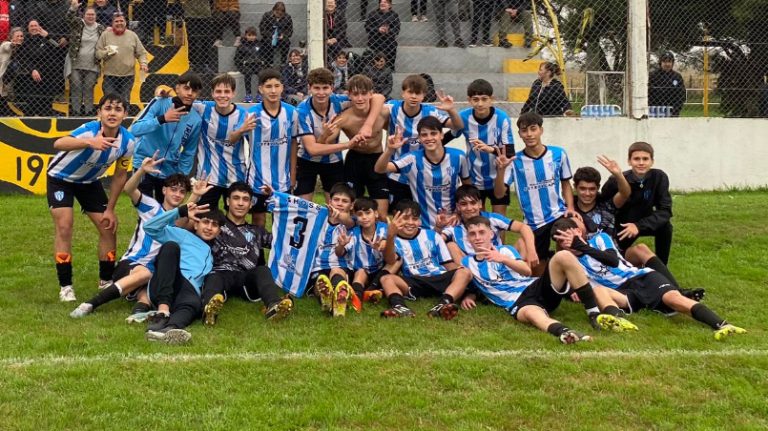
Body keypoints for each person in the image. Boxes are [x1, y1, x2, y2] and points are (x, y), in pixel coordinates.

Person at [552, 217, 746, 341]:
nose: (565, 243)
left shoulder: (600, 239)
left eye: (567, 237)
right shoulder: (572, 263)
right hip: (623, 293)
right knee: (599, 291)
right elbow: (573, 288)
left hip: (642, 278)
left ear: (578, 232)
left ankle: (722, 325)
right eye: (560, 241)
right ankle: (619, 321)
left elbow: (611, 260)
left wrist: (581, 245)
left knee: (674, 300)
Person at [460, 216, 635, 344]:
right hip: (517, 303)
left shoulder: (505, 250)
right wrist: (470, 296)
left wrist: (502, 259)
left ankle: (594, 314)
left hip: (535, 287)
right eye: (472, 234)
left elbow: (527, 271)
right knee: (531, 314)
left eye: (481, 232)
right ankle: (565, 333)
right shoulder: (466, 262)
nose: (477, 237)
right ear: (467, 238)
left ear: (491, 234)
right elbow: (466, 282)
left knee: (563, 255)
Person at [69, 155, 197, 319]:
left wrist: (197, 194)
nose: (178, 194)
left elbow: (185, 216)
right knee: (145, 275)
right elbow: (129, 189)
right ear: (164, 190)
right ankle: (91, 304)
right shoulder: (150, 206)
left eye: (182, 192)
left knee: (147, 292)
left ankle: (138, 313)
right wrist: (141, 171)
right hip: (131, 263)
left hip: (153, 271)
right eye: (173, 189)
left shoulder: (178, 219)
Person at [47, 93, 135, 302]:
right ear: (99, 113)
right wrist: (89, 143)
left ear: (125, 115)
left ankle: (106, 282)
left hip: (89, 183)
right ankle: (66, 286)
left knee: (108, 226)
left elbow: (120, 175)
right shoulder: (89, 130)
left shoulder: (128, 142)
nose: (112, 113)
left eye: (117, 109)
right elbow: (58, 143)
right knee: (65, 226)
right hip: (61, 179)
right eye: (107, 108)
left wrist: (110, 209)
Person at [200, 182, 295, 326]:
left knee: (263, 270)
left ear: (251, 204)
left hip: (246, 279)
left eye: (245, 199)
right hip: (220, 274)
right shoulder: (214, 225)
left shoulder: (257, 231)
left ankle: (274, 305)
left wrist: (278, 203)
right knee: (213, 277)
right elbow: (188, 227)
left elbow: (283, 242)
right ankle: (208, 309)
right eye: (236, 198)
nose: (240, 203)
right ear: (227, 201)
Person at [495, 112, 578, 275]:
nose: (529, 134)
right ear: (519, 134)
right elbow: (499, 194)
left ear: (541, 130)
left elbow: (566, 183)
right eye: (524, 131)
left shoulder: (558, 154)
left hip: (557, 215)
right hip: (533, 223)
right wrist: (501, 170)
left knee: (568, 236)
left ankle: (570, 277)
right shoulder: (514, 161)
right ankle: (549, 272)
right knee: (537, 272)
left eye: (533, 129)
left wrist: (571, 207)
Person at [295, 68, 383, 203]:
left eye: (325, 88)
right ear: (309, 88)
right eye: (316, 88)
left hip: (332, 161)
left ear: (332, 88)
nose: (321, 93)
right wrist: (347, 144)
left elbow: (378, 97)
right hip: (307, 161)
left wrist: (368, 125)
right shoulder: (302, 111)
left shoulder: (339, 101)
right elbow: (312, 150)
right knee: (303, 206)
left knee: (337, 206)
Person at [142, 202, 224, 344]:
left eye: (214, 225)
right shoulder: (183, 235)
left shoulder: (213, 254)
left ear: (219, 231)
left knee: (194, 303)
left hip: (188, 291)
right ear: (196, 225)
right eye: (205, 222)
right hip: (168, 283)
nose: (209, 228)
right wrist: (180, 211)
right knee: (171, 247)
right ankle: (162, 313)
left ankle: (168, 331)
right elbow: (149, 227)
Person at [379, 200, 474, 319]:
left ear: (419, 220)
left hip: (439, 278)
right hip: (414, 281)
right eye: (405, 218)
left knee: (464, 272)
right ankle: (400, 307)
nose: (410, 222)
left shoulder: (432, 235)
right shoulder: (393, 239)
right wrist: (390, 236)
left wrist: (464, 275)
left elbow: (447, 263)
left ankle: (442, 304)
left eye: (414, 219)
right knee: (386, 279)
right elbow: (390, 261)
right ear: (395, 219)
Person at [375, 116, 470, 228]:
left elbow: (467, 189)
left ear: (441, 135)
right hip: (423, 226)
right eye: (424, 135)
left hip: (453, 223)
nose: (429, 138)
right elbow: (379, 169)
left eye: (433, 133)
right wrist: (390, 150)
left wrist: (459, 213)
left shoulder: (458, 157)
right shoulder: (412, 159)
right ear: (419, 138)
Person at [384, 74, 463, 209]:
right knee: (399, 215)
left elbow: (458, 127)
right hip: (396, 173)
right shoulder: (392, 108)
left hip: (422, 175)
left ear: (424, 95)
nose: (414, 96)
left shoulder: (431, 111)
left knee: (421, 214)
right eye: (410, 92)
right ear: (403, 93)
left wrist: (451, 110)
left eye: (418, 93)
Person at [322, 74, 388, 218]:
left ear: (371, 94)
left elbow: (397, 130)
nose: (360, 98)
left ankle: (380, 239)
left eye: (364, 94)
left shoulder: (382, 112)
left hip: (377, 160)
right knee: (352, 211)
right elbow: (326, 143)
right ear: (349, 95)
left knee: (381, 214)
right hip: (355, 161)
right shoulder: (344, 117)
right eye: (355, 94)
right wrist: (326, 133)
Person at [130, 72, 203, 202]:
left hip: (170, 170)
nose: (190, 93)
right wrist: (162, 119)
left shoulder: (196, 119)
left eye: (194, 90)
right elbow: (135, 129)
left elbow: (189, 152)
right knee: (144, 209)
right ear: (177, 89)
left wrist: (181, 175)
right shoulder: (160, 103)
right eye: (186, 88)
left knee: (165, 211)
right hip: (145, 163)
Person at [600, 141, 674, 265]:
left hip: (643, 223)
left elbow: (665, 210)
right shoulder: (616, 180)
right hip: (622, 226)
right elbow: (602, 204)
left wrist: (639, 226)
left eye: (645, 159)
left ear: (652, 161)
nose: (641, 163)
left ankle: (662, 266)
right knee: (615, 261)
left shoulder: (659, 177)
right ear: (629, 161)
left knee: (665, 227)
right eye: (636, 159)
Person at [246, 68, 301, 227]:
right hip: (257, 179)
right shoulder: (252, 114)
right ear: (261, 89)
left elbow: (293, 143)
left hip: (282, 180)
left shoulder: (291, 113)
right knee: (258, 221)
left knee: (282, 223)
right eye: (268, 86)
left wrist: (293, 174)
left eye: (277, 86)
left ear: (282, 88)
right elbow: (236, 139)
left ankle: (279, 252)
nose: (273, 90)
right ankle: (258, 252)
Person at [192, 73, 250, 209]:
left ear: (233, 93)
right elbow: (183, 100)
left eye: (226, 91)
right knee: (202, 216)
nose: (222, 95)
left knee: (235, 218)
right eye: (218, 91)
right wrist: (160, 92)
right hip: (208, 176)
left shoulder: (242, 114)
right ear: (212, 93)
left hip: (235, 175)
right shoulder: (203, 108)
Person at [442, 184, 537, 267]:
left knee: (523, 242)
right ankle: (469, 282)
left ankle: (521, 276)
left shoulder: (493, 219)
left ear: (480, 204)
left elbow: (523, 227)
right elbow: (437, 239)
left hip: (499, 263)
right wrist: (438, 227)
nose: (469, 208)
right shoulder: (454, 225)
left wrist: (532, 252)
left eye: (473, 203)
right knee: (451, 245)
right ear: (458, 207)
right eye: (464, 204)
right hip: (474, 269)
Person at [458, 79, 515, 215]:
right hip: (475, 175)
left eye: (484, 99)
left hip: (500, 174)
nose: (480, 103)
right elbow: (450, 135)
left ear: (491, 99)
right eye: (475, 99)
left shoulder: (502, 118)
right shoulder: (464, 117)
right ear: (469, 100)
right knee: (477, 221)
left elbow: (510, 152)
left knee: (499, 222)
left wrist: (490, 149)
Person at [334, 198, 394, 308]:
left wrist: (383, 245)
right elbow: (339, 253)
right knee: (360, 272)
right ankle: (355, 298)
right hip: (359, 272)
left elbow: (388, 244)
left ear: (376, 214)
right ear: (356, 217)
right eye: (360, 214)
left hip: (379, 271)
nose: (364, 217)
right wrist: (341, 245)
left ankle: (372, 289)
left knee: (397, 259)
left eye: (368, 213)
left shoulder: (383, 228)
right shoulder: (353, 233)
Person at [309, 183, 357, 317]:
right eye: (336, 200)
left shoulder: (350, 226)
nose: (340, 204)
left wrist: (341, 244)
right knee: (321, 280)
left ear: (351, 205)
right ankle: (328, 300)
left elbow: (339, 253)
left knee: (336, 271)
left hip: (339, 266)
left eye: (345, 201)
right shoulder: (318, 219)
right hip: (317, 267)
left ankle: (337, 296)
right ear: (329, 201)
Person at [95, 12, 148, 106]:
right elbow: (98, 53)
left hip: (128, 76)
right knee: (110, 101)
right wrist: (107, 53)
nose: (119, 23)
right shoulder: (105, 35)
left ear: (125, 23)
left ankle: (124, 120)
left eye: (121, 21)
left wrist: (143, 63)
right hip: (109, 75)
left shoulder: (133, 35)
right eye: (116, 21)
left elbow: (141, 53)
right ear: (112, 23)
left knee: (125, 102)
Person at [16, 19, 66, 116]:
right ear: (28, 28)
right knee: (31, 97)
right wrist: (33, 70)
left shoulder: (46, 38)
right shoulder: (25, 41)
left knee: (46, 97)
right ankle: (33, 113)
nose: (34, 28)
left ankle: (45, 112)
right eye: (31, 26)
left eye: (36, 25)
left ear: (40, 27)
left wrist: (47, 36)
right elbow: (23, 58)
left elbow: (59, 48)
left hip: (48, 73)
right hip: (32, 73)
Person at [572, 158, 631, 240]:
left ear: (598, 188)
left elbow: (625, 194)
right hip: (577, 251)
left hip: (608, 251)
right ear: (575, 187)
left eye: (592, 189)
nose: (587, 193)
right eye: (582, 189)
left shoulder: (607, 205)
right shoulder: (569, 209)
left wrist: (618, 175)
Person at [67, 0, 105, 116]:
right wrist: (73, 9)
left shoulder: (100, 28)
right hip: (75, 62)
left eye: (92, 14)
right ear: (83, 15)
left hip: (92, 63)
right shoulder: (78, 23)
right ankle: (76, 112)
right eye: (88, 14)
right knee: (76, 86)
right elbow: (69, 19)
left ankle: (89, 112)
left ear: (96, 16)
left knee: (89, 88)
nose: (90, 16)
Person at [365, 0, 400, 71]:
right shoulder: (373, 14)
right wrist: (378, 29)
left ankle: (390, 68)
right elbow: (367, 27)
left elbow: (397, 29)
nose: (382, 3)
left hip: (389, 40)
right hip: (375, 40)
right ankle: (375, 67)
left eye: (385, 2)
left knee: (393, 45)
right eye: (381, 2)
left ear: (390, 5)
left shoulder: (394, 15)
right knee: (376, 46)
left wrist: (388, 31)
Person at [648, 51, 685, 116]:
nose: (667, 64)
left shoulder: (677, 77)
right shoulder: (653, 76)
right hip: (655, 111)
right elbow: (648, 93)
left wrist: (675, 109)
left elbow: (681, 95)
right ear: (660, 62)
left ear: (672, 63)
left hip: (673, 110)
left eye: (669, 62)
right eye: (665, 61)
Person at [233, 26, 264, 103]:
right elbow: (236, 59)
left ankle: (259, 95)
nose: (251, 37)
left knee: (262, 73)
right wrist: (244, 61)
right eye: (249, 35)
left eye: (253, 35)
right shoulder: (241, 46)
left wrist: (261, 61)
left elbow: (263, 55)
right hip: (245, 66)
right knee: (248, 73)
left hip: (257, 65)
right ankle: (248, 95)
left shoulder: (259, 45)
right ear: (246, 35)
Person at [259, 1, 292, 67]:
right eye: (277, 13)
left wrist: (283, 35)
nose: (279, 15)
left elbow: (290, 31)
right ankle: (269, 62)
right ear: (274, 10)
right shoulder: (267, 15)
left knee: (286, 42)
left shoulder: (287, 17)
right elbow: (262, 29)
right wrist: (272, 35)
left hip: (281, 38)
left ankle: (283, 62)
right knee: (266, 42)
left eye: (281, 14)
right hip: (269, 37)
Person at [0, 27, 23, 113]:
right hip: (2, 77)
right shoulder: (5, 44)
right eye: (17, 36)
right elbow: (8, 46)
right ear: (11, 37)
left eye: (21, 36)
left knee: (4, 100)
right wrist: (13, 44)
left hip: (9, 81)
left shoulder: (22, 48)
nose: (20, 38)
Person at [324, 0, 349, 64]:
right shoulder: (321, 15)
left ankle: (335, 64)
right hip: (325, 38)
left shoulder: (341, 14)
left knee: (336, 46)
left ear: (335, 5)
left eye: (332, 3)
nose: (330, 5)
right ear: (324, 5)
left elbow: (343, 29)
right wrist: (326, 39)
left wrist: (335, 39)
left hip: (338, 38)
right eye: (328, 3)